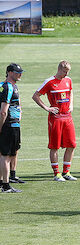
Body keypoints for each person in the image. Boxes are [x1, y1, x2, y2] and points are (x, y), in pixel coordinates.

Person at [32, 60, 77, 181]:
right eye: (64, 72)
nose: (66, 74)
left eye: (68, 72)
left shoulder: (68, 80)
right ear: (59, 69)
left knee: (72, 144)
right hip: (56, 117)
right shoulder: (49, 82)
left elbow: (70, 91)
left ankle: (66, 172)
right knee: (54, 146)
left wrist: (71, 104)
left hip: (67, 116)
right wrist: (47, 108)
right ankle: (56, 173)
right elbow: (35, 95)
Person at [0, 63, 24, 193]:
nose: (19, 74)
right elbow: (3, 111)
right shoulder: (8, 87)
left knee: (5, 154)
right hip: (9, 125)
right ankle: (6, 185)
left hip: (12, 124)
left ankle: (2, 182)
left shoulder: (8, 86)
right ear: (9, 72)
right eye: (16, 72)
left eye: (20, 72)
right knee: (6, 156)